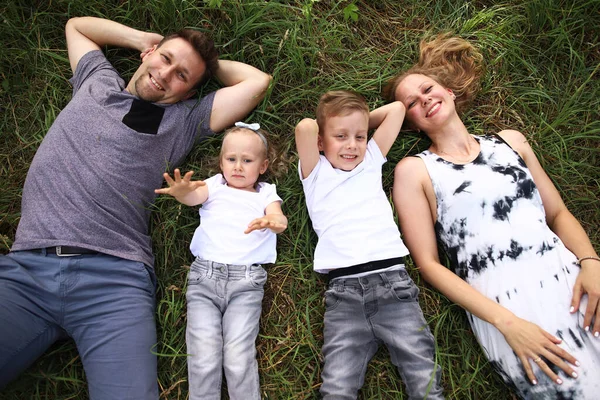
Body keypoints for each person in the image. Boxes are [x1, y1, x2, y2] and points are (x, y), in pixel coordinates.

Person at [0, 16, 271, 399]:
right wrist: (144, 40)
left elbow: (257, 82)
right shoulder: (96, 81)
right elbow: (76, 26)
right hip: (27, 270)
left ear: (188, 92)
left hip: (115, 282)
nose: (165, 74)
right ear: (149, 54)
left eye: (181, 76)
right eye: (165, 59)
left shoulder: (185, 119)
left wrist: (205, 67)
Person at [387, 34, 600, 398]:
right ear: (409, 122)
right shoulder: (415, 171)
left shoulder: (511, 141)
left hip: (575, 284)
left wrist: (592, 263)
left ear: (450, 91)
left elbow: (558, 213)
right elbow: (428, 265)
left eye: (428, 89)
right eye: (410, 103)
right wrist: (507, 323)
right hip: (509, 310)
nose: (423, 100)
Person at [295, 90, 445, 400]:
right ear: (322, 142)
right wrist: (333, 126)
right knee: (337, 386)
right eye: (341, 137)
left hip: (394, 285)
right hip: (343, 295)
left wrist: (361, 122)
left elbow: (397, 111)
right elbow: (304, 129)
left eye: (360, 137)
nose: (352, 145)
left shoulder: (371, 160)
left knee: (423, 374)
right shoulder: (314, 172)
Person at [155, 122, 287, 400]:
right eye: (231, 159)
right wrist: (183, 193)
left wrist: (271, 221)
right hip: (205, 279)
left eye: (247, 160)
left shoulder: (265, 193)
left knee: (238, 357)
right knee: (203, 354)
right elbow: (195, 196)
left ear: (262, 167)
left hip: (246, 283)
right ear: (221, 163)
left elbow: (280, 219)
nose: (238, 166)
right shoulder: (214, 185)